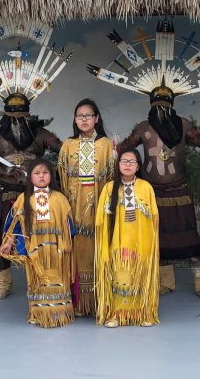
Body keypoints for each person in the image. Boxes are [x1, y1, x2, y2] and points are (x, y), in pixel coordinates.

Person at [121, 85, 200, 300]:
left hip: (179, 191)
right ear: (151, 104)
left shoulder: (183, 125)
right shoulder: (143, 128)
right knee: (158, 239)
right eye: (157, 103)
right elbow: (125, 149)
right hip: (152, 193)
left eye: (165, 103)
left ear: (172, 104)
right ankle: (166, 283)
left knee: (190, 239)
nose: (161, 107)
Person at [0, 92, 62, 299]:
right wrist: (4, 171)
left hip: (35, 197)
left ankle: (40, 280)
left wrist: (49, 171)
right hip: (5, 195)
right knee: (1, 236)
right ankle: (4, 283)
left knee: (39, 237)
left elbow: (64, 151)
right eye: (13, 117)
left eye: (21, 116)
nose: (17, 121)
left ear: (28, 114)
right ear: (6, 115)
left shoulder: (40, 134)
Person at [0, 159, 76, 328]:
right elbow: (16, 224)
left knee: (57, 279)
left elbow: (69, 226)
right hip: (35, 249)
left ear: (51, 176)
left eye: (45, 172)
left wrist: (67, 245)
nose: (41, 176)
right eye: (37, 173)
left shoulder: (60, 198)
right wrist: (8, 242)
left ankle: (59, 314)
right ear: (30, 178)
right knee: (37, 282)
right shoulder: (24, 199)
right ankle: (38, 313)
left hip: (57, 250)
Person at [58, 99, 115, 316]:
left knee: (98, 249)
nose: (84, 119)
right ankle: (79, 302)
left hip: (99, 207)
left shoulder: (106, 145)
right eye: (79, 116)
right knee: (76, 249)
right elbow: (62, 178)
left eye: (88, 115)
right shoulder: (68, 145)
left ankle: (99, 299)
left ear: (96, 119)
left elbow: (110, 178)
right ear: (74, 119)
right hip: (74, 208)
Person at [95, 147, 160, 328]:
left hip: (141, 243)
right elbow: (100, 218)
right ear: (118, 165)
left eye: (132, 162)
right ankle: (114, 315)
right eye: (124, 161)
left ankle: (143, 313)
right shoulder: (109, 188)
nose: (128, 165)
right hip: (118, 242)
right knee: (119, 276)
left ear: (138, 166)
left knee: (140, 277)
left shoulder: (145, 187)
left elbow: (154, 217)